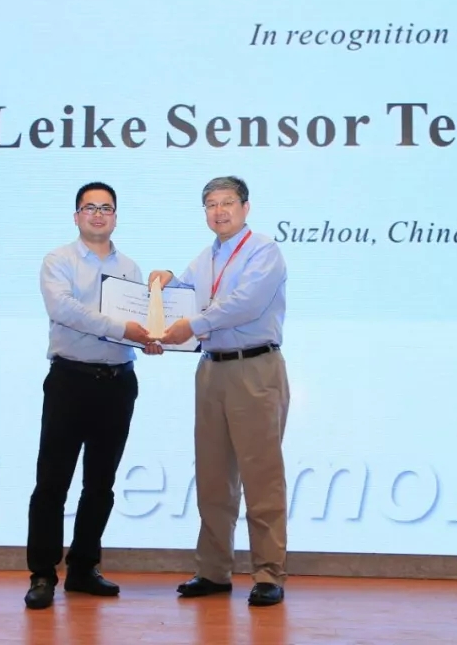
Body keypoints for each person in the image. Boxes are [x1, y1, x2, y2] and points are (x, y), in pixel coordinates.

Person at [150, 175, 290, 607]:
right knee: (213, 476)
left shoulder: (264, 250)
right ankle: (213, 571)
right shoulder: (206, 257)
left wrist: (192, 324)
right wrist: (164, 284)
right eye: (211, 204)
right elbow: (183, 296)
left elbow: (245, 304)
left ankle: (268, 573)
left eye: (228, 202)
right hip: (211, 369)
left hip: (254, 368)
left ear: (246, 207)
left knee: (261, 477)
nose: (219, 211)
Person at [24, 181, 161, 610]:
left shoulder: (130, 267)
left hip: (118, 383)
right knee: (52, 482)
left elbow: (141, 320)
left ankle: (83, 568)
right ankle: (43, 574)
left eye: (106, 208)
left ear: (116, 217)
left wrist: (152, 338)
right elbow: (65, 310)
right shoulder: (58, 261)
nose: (98, 214)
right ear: (76, 216)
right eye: (90, 207)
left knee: (101, 484)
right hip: (70, 380)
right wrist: (123, 329)